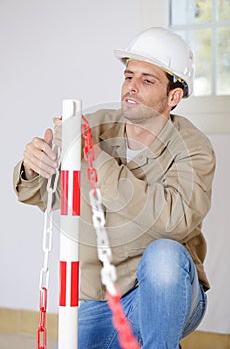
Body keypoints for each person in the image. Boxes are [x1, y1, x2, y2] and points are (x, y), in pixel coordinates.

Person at [13, 27, 216, 348]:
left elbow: (173, 221)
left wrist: (91, 158)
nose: (132, 87)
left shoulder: (193, 148)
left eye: (147, 80)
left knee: (164, 255)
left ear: (173, 96)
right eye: (128, 76)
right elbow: (41, 194)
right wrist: (32, 166)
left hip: (166, 293)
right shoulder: (93, 126)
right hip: (97, 301)